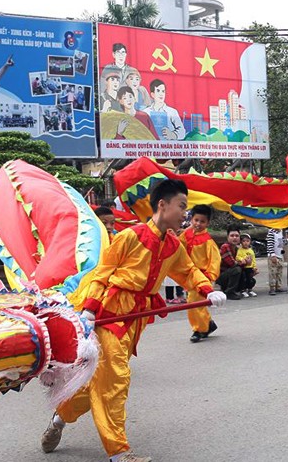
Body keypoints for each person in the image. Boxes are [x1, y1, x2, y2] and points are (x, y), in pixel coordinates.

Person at [41, 179, 226, 462]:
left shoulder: (173, 245)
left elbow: (188, 272)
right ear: (162, 205)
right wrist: (90, 309)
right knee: (116, 379)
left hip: (135, 320)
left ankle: (59, 419)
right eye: (182, 206)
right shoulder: (131, 236)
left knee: (98, 382)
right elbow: (103, 272)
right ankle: (118, 452)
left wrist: (208, 289)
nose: (184, 214)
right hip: (110, 315)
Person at [179, 204, 221, 343]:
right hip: (190, 275)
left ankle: (199, 329)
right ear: (192, 219)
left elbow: (215, 260)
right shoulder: (186, 234)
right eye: (196, 220)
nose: (198, 224)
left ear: (207, 223)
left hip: (202, 277)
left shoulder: (208, 241)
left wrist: (210, 276)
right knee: (197, 303)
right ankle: (208, 324)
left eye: (202, 221)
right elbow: (179, 247)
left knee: (194, 302)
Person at [266, 227, 286, 294]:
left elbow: (282, 243)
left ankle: (278, 286)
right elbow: (270, 245)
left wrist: (286, 241)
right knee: (273, 272)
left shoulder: (281, 232)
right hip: (273, 256)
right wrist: (272, 255)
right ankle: (272, 287)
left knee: (279, 272)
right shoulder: (271, 232)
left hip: (280, 255)